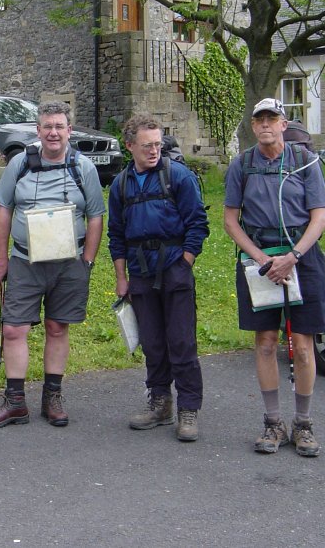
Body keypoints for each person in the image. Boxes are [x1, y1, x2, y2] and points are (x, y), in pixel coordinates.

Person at [0, 101, 105, 429]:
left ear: (69, 131)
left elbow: (95, 215)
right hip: (24, 260)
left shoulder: (84, 168)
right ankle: (15, 402)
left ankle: (52, 396)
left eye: (59, 126)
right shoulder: (20, 164)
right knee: (13, 329)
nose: (53, 132)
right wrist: (2, 257)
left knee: (57, 327)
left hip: (69, 263)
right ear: (38, 131)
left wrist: (87, 261)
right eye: (47, 126)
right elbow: (4, 209)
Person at [223, 98, 325, 457]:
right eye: (259, 119)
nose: (266, 124)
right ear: (253, 126)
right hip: (260, 259)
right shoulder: (242, 165)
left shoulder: (305, 162)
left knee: (302, 344)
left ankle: (303, 424)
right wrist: (260, 259)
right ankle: (272, 422)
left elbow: (319, 218)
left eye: (272, 118)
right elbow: (230, 220)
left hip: (302, 257)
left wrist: (294, 256)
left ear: (284, 124)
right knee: (266, 341)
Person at [107, 114, 210, 441]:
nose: (154, 151)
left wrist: (186, 260)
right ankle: (160, 403)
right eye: (147, 145)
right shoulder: (120, 185)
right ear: (129, 146)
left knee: (181, 340)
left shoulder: (177, 176)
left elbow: (198, 223)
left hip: (174, 268)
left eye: (158, 144)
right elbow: (116, 235)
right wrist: (121, 277)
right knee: (152, 341)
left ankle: (188, 410)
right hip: (139, 271)